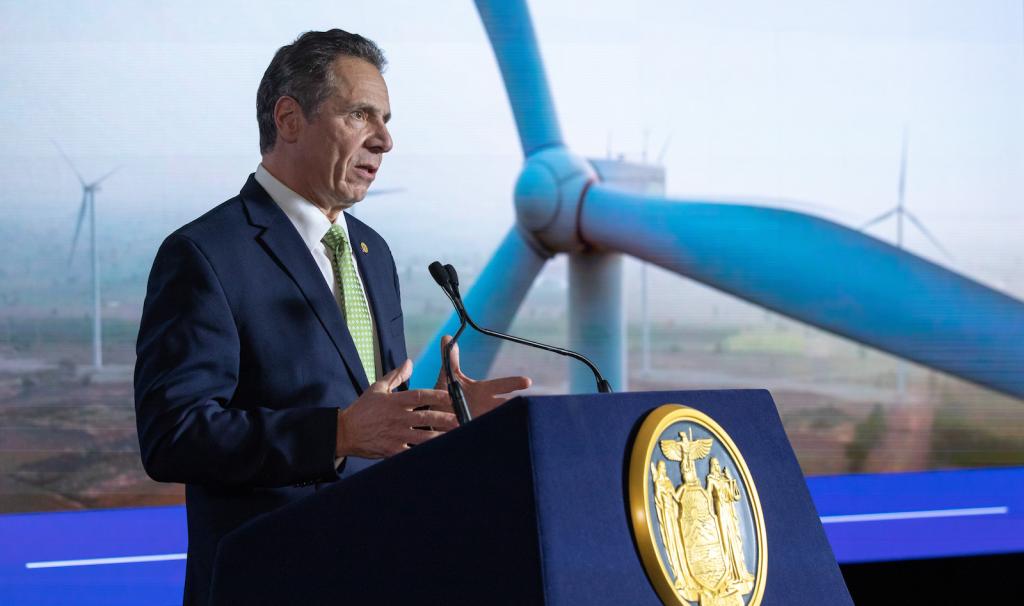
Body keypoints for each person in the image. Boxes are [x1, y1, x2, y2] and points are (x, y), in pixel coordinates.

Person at [133, 29, 530, 605]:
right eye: (360, 115)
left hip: (380, 574)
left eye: (386, 120)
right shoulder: (204, 254)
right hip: (268, 584)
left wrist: (433, 415)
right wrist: (336, 434)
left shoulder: (374, 251)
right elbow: (174, 436)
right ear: (289, 120)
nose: (385, 140)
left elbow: (375, 416)